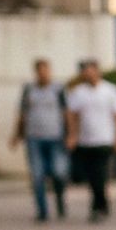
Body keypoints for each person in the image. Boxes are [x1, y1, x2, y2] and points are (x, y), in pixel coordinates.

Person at [63, 59, 116, 222]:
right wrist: (72, 135)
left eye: (91, 70)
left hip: (105, 139)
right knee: (92, 176)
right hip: (86, 140)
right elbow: (72, 115)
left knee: (100, 174)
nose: (88, 74)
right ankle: (101, 203)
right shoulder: (78, 92)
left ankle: (97, 206)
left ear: (98, 72)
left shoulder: (111, 90)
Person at [9, 58, 70, 221]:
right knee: (37, 175)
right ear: (36, 72)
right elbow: (22, 114)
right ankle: (42, 211)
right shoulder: (29, 90)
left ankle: (59, 199)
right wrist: (16, 135)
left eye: (45, 70)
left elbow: (66, 113)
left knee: (59, 173)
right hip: (34, 139)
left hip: (55, 137)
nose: (43, 74)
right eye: (40, 71)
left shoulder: (58, 90)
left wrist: (70, 134)